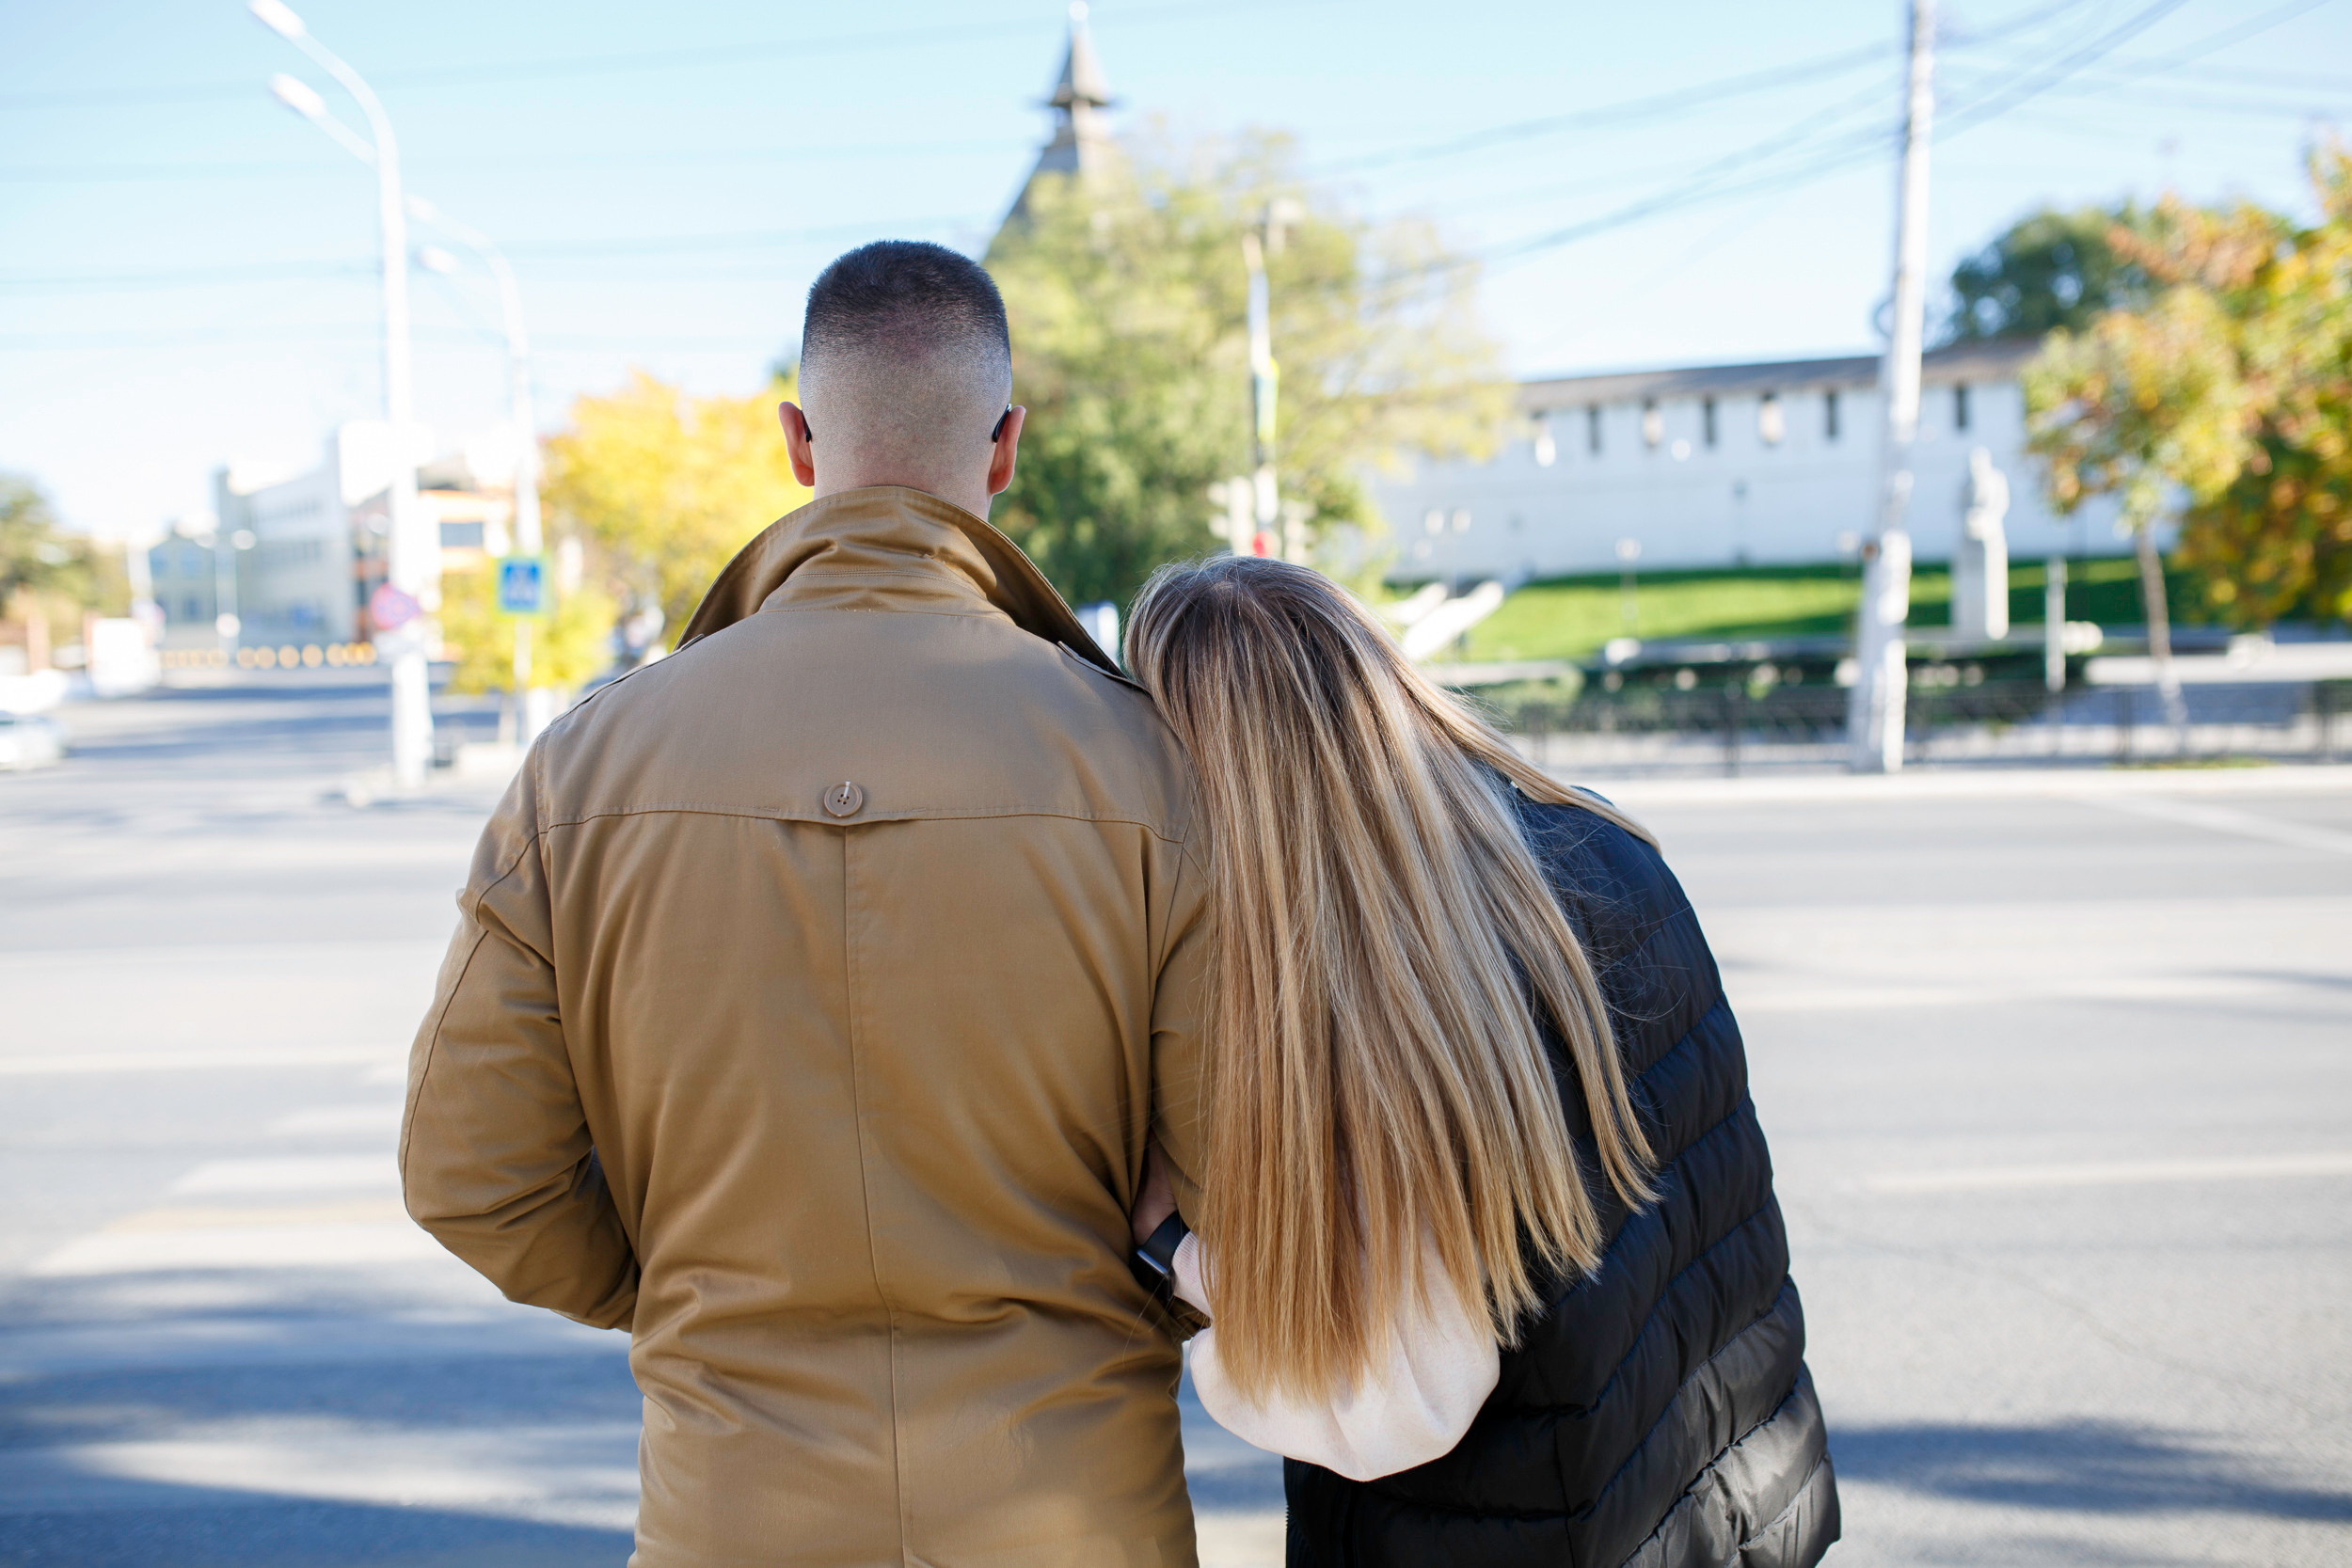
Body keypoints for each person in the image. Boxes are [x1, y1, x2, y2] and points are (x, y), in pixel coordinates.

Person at [400, 240, 1216, 1567]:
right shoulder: (1147, 760)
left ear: (794, 439)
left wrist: (693, 1300)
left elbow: (470, 1176)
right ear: (1006, 446)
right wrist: (1122, 1304)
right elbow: (1252, 1168)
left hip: (729, 1502)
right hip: (1076, 1504)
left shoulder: (587, 764)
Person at [1122, 555, 1838, 1567]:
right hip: (1729, 1493)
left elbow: (1393, 1404)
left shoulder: (1382, 983)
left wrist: (1172, 1247)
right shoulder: (1586, 836)